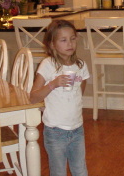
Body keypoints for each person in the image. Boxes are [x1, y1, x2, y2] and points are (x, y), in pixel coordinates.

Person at [30, 19, 90, 176]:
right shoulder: (47, 65)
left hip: (77, 129)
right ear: (52, 44)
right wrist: (53, 84)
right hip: (55, 131)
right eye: (63, 40)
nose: (69, 43)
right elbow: (33, 98)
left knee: (80, 170)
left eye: (72, 38)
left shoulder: (81, 65)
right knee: (58, 172)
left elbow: (82, 86)